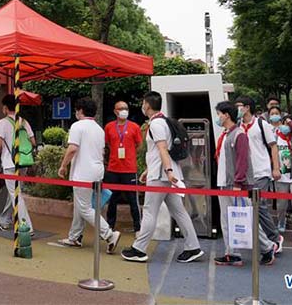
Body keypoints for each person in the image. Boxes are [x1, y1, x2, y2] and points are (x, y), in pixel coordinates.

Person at [121, 92, 203, 264]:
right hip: (164, 174)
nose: (143, 106)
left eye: (143, 103)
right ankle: (193, 247)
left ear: (147, 105)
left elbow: (162, 149)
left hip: (161, 175)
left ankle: (139, 249)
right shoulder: (164, 121)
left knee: (150, 211)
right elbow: (159, 152)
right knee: (179, 211)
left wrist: (167, 171)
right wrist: (154, 170)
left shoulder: (156, 124)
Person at [212, 101, 276, 266]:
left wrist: (238, 182)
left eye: (219, 114)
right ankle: (232, 253)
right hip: (225, 182)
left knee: (246, 218)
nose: (218, 117)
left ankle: (267, 247)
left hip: (235, 184)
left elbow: (242, 160)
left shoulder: (238, 134)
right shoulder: (229, 133)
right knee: (227, 219)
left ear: (226, 115)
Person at [54, 97, 121, 255]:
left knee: (84, 207)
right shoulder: (99, 129)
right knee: (81, 205)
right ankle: (74, 237)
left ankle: (109, 234)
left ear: (80, 111)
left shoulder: (77, 126)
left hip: (83, 172)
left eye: (77, 110)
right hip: (97, 171)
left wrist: (63, 166)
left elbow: (72, 149)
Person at [233, 96, 283, 255]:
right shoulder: (238, 126)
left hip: (261, 171)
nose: (237, 110)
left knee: (259, 205)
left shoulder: (262, 124)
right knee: (251, 206)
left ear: (247, 108)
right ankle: (263, 239)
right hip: (245, 173)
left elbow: (273, 146)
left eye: (239, 106)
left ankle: (274, 238)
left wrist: (276, 168)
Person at [0, 95, 37, 232]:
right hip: (23, 163)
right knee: (15, 192)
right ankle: (5, 220)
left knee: (16, 195)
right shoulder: (24, 122)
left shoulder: (3, 122)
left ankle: (27, 227)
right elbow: (33, 142)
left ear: (5, 108)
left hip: (10, 164)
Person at [267, 107, 292, 245]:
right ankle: (281, 220)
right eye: (272, 114)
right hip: (280, 176)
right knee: (281, 205)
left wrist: (291, 124)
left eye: (277, 114)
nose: (275, 116)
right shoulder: (271, 134)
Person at [103, 101, 142, 233]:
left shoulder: (134, 127)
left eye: (126, 108)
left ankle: (138, 228)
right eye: (121, 108)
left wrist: (129, 153)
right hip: (113, 169)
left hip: (130, 169)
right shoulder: (108, 127)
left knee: (133, 200)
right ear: (115, 111)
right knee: (112, 199)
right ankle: (109, 226)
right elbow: (107, 144)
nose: (124, 111)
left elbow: (139, 145)